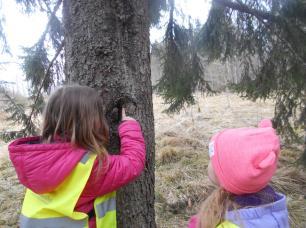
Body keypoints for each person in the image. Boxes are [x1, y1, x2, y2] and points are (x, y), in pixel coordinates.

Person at [8, 85, 146, 228]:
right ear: (91, 123)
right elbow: (132, 163)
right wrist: (129, 126)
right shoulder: (89, 168)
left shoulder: (36, 157)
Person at [188, 119, 289, 228]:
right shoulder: (275, 206)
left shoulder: (228, 224)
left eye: (213, 160)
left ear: (225, 176)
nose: (209, 164)